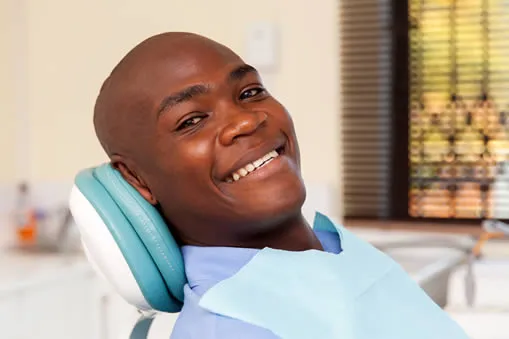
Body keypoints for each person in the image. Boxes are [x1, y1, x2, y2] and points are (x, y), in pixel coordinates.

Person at [93, 32, 468, 339]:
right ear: (136, 179)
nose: (245, 121)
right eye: (191, 120)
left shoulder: (338, 251)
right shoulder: (228, 327)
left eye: (249, 92)